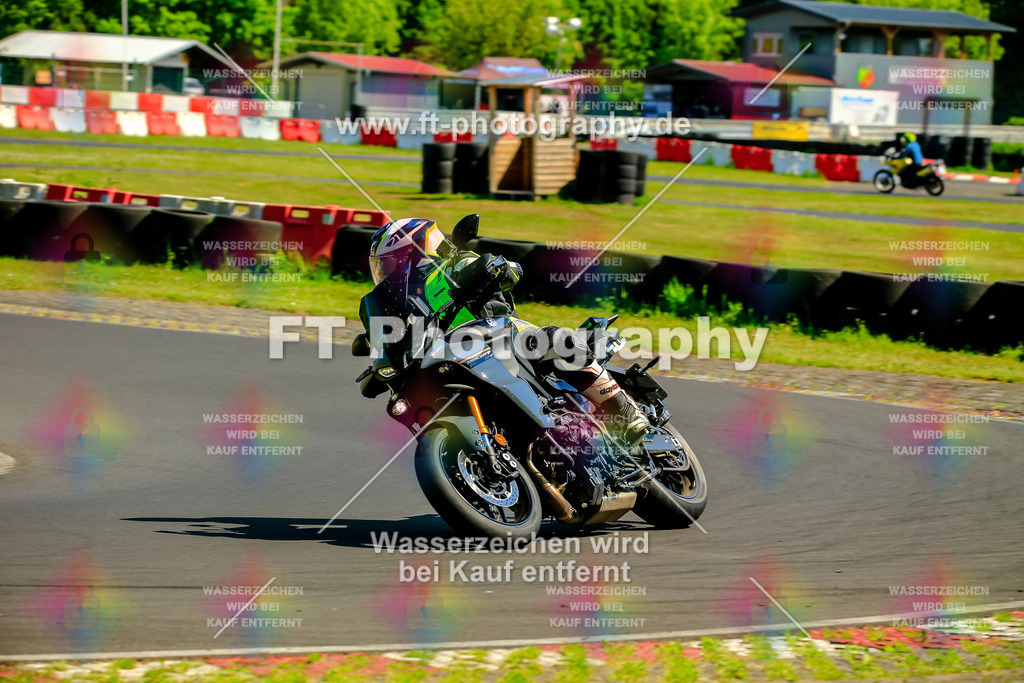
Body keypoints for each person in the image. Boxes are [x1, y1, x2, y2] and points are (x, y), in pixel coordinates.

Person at [360, 217, 650, 446]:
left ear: (412, 252)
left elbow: (510, 271)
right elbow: (387, 337)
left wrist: (495, 269)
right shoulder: (395, 304)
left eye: (390, 262)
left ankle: (624, 410)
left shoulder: (455, 264)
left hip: (499, 333)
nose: (385, 272)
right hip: (450, 355)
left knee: (553, 340)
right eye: (380, 266)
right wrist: (380, 359)